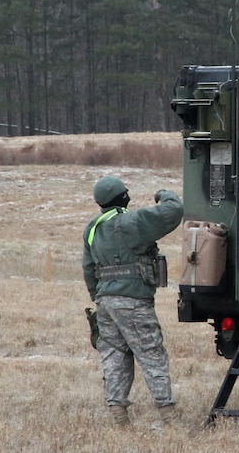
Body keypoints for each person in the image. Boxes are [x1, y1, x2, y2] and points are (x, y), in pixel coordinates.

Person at [82, 176, 184, 428]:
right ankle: (169, 416)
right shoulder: (132, 222)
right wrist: (163, 193)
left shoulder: (92, 228)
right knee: (151, 354)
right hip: (134, 301)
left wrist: (98, 298)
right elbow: (174, 211)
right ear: (122, 197)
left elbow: (88, 269)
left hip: (105, 302)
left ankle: (119, 416)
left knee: (115, 357)